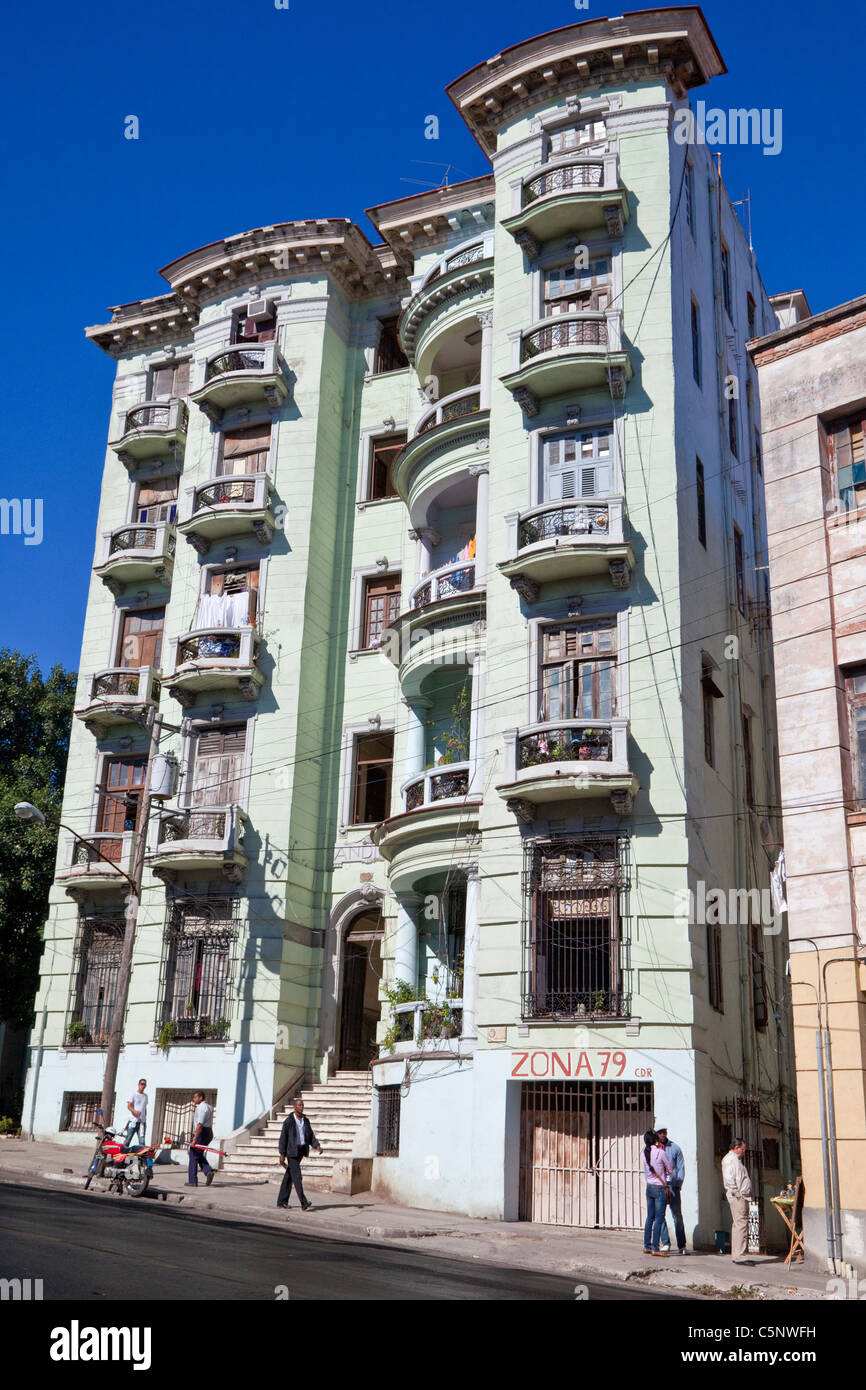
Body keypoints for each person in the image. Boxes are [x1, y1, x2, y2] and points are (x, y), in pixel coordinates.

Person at [277, 1096, 322, 1212]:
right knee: (297, 1176)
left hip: (301, 1151)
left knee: (289, 1176)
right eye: (299, 1105)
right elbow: (283, 1138)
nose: (301, 1107)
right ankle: (303, 1202)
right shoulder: (289, 1121)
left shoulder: (305, 1121)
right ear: (294, 1106)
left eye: (302, 1105)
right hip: (291, 1152)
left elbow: (310, 1136)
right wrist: (282, 1154)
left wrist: (317, 1146)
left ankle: (282, 1201)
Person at [656, 1125, 687, 1255]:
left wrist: (678, 1184)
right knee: (660, 1215)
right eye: (660, 1132)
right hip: (659, 1187)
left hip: (672, 1186)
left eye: (665, 1132)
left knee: (677, 1216)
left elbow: (681, 1168)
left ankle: (682, 1245)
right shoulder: (653, 1149)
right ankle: (666, 1243)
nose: (663, 1134)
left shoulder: (675, 1148)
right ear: (656, 1134)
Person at [722, 1137, 754, 1265]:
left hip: (741, 1195)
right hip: (737, 1196)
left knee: (739, 1225)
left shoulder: (735, 1160)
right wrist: (737, 1193)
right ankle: (739, 1255)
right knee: (741, 1224)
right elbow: (729, 1178)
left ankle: (737, 1254)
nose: (743, 1151)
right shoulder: (730, 1160)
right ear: (736, 1148)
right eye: (742, 1149)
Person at [642, 1129, 672, 1256]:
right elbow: (670, 1169)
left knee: (650, 1217)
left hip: (649, 1186)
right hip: (659, 1188)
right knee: (659, 1219)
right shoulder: (661, 1152)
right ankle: (656, 1248)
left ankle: (647, 1246)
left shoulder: (645, 1153)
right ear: (656, 1139)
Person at [186, 1091, 215, 1188]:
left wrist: (194, 1139)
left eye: (195, 1097)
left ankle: (192, 1181)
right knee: (197, 1154)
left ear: (201, 1097)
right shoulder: (209, 1107)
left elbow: (200, 1124)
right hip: (208, 1132)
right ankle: (208, 1171)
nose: (193, 1099)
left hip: (202, 1132)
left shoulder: (202, 1108)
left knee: (193, 1154)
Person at [123, 1078, 148, 1146]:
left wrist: (145, 1117)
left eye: (144, 1084)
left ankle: (142, 1156)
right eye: (142, 1084)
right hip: (133, 1121)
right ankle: (121, 1155)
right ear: (138, 1084)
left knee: (142, 1142)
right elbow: (129, 1106)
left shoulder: (145, 1096)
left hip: (142, 1122)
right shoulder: (133, 1094)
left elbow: (144, 1107)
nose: (143, 1086)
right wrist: (134, 1111)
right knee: (127, 1140)